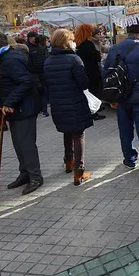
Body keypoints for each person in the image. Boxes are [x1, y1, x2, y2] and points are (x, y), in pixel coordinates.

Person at [0, 30, 43, 195]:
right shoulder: (2, 58)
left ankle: (35, 177)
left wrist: (10, 101)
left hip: (23, 107)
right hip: (13, 108)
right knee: (18, 144)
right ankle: (24, 173)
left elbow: (26, 81)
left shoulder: (10, 59)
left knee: (26, 144)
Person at [103, 24, 139, 179]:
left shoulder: (114, 49)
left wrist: (111, 98)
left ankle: (129, 160)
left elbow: (106, 74)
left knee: (125, 130)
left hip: (121, 98)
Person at [45, 29, 94, 185]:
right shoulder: (74, 59)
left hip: (58, 104)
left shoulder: (48, 61)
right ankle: (78, 172)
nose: (74, 42)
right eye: (72, 40)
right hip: (75, 103)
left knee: (67, 132)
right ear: (66, 42)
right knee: (78, 135)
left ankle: (69, 162)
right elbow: (84, 83)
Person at [75, 24, 105, 120]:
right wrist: (99, 55)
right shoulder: (88, 44)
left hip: (84, 70)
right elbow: (95, 57)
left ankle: (91, 110)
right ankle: (94, 112)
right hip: (92, 70)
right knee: (94, 91)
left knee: (89, 92)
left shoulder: (79, 44)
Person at [26, 32, 49, 117]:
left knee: (43, 90)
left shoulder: (41, 47)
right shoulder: (27, 48)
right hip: (33, 73)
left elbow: (46, 57)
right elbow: (28, 61)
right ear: (30, 38)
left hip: (42, 72)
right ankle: (39, 107)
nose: (35, 38)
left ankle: (44, 109)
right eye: (34, 37)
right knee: (38, 90)